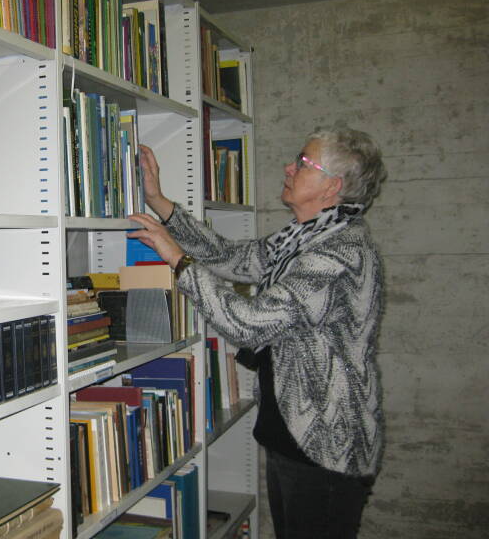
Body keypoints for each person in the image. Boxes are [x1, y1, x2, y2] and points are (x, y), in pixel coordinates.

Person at [128, 124, 387, 539]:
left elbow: (247, 322)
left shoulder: (340, 250)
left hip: (326, 445)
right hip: (293, 434)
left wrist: (177, 260)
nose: (289, 167)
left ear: (332, 186)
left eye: (304, 163)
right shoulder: (305, 237)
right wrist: (160, 202)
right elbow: (231, 257)